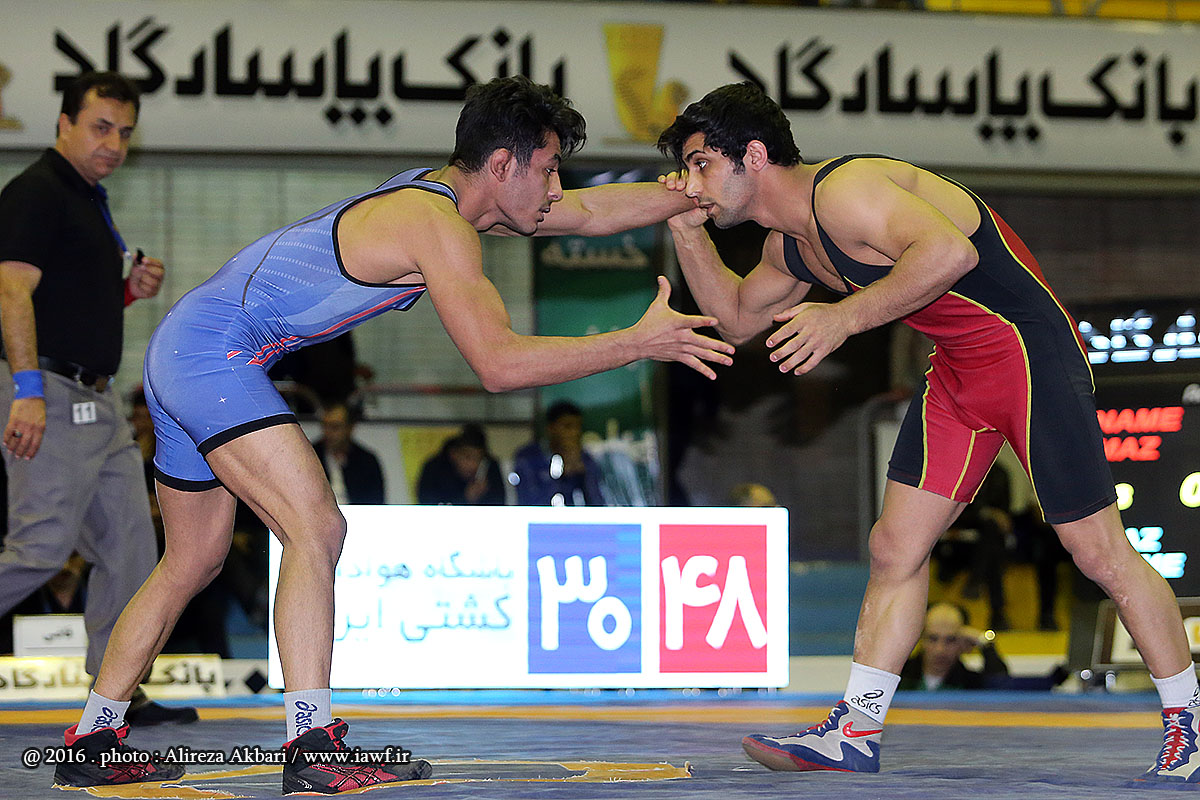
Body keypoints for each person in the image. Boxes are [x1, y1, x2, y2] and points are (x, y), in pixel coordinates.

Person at [59, 75, 730, 793]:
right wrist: (636, 342)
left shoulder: (445, 200)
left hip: (184, 349)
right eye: (548, 169)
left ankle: (93, 737)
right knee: (316, 529)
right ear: (502, 165)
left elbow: (591, 213)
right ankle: (312, 747)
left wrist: (689, 194)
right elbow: (499, 364)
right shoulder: (434, 223)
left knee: (192, 559)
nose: (557, 188)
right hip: (212, 357)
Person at [654, 82, 1197, 781]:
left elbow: (949, 253)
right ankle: (855, 730)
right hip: (959, 371)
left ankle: (1190, 725)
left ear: (753, 156)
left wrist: (843, 317)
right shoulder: (790, 247)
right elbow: (734, 320)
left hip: (1027, 351)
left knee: (1098, 552)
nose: (693, 183)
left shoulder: (845, 191)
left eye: (701, 164)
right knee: (894, 547)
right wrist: (686, 232)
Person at [0, 71, 195, 739]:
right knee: (39, 547)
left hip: (96, 401)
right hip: (48, 393)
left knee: (132, 548)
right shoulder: (37, 192)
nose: (114, 143)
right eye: (101, 127)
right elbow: (10, 293)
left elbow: (70, 305)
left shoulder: (87, 199)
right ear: (64, 124)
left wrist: (129, 290)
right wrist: (26, 390)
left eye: (125, 132)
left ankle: (117, 695)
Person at [511, 400, 604, 506]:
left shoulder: (585, 459)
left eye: (578, 427)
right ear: (551, 428)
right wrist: (561, 474)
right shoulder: (528, 458)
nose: (574, 433)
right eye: (567, 426)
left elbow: (598, 503)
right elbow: (529, 502)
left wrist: (583, 475)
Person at [898, 602, 1008, 691]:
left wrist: (983, 640)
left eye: (950, 640)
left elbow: (1001, 686)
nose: (940, 650)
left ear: (963, 641)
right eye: (932, 639)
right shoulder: (899, 675)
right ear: (920, 638)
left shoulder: (972, 682)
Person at [313, 402, 386, 505]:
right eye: (325, 426)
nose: (328, 432)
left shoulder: (367, 461)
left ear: (350, 428)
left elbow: (375, 502)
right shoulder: (310, 456)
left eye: (335, 427)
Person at [417, 423, 505, 506]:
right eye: (467, 457)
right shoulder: (434, 470)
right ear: (453, 454)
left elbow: (499, 505)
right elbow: (428, 506)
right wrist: (465, 498)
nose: (473, 464)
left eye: (479, 459)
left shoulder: (490, 470)